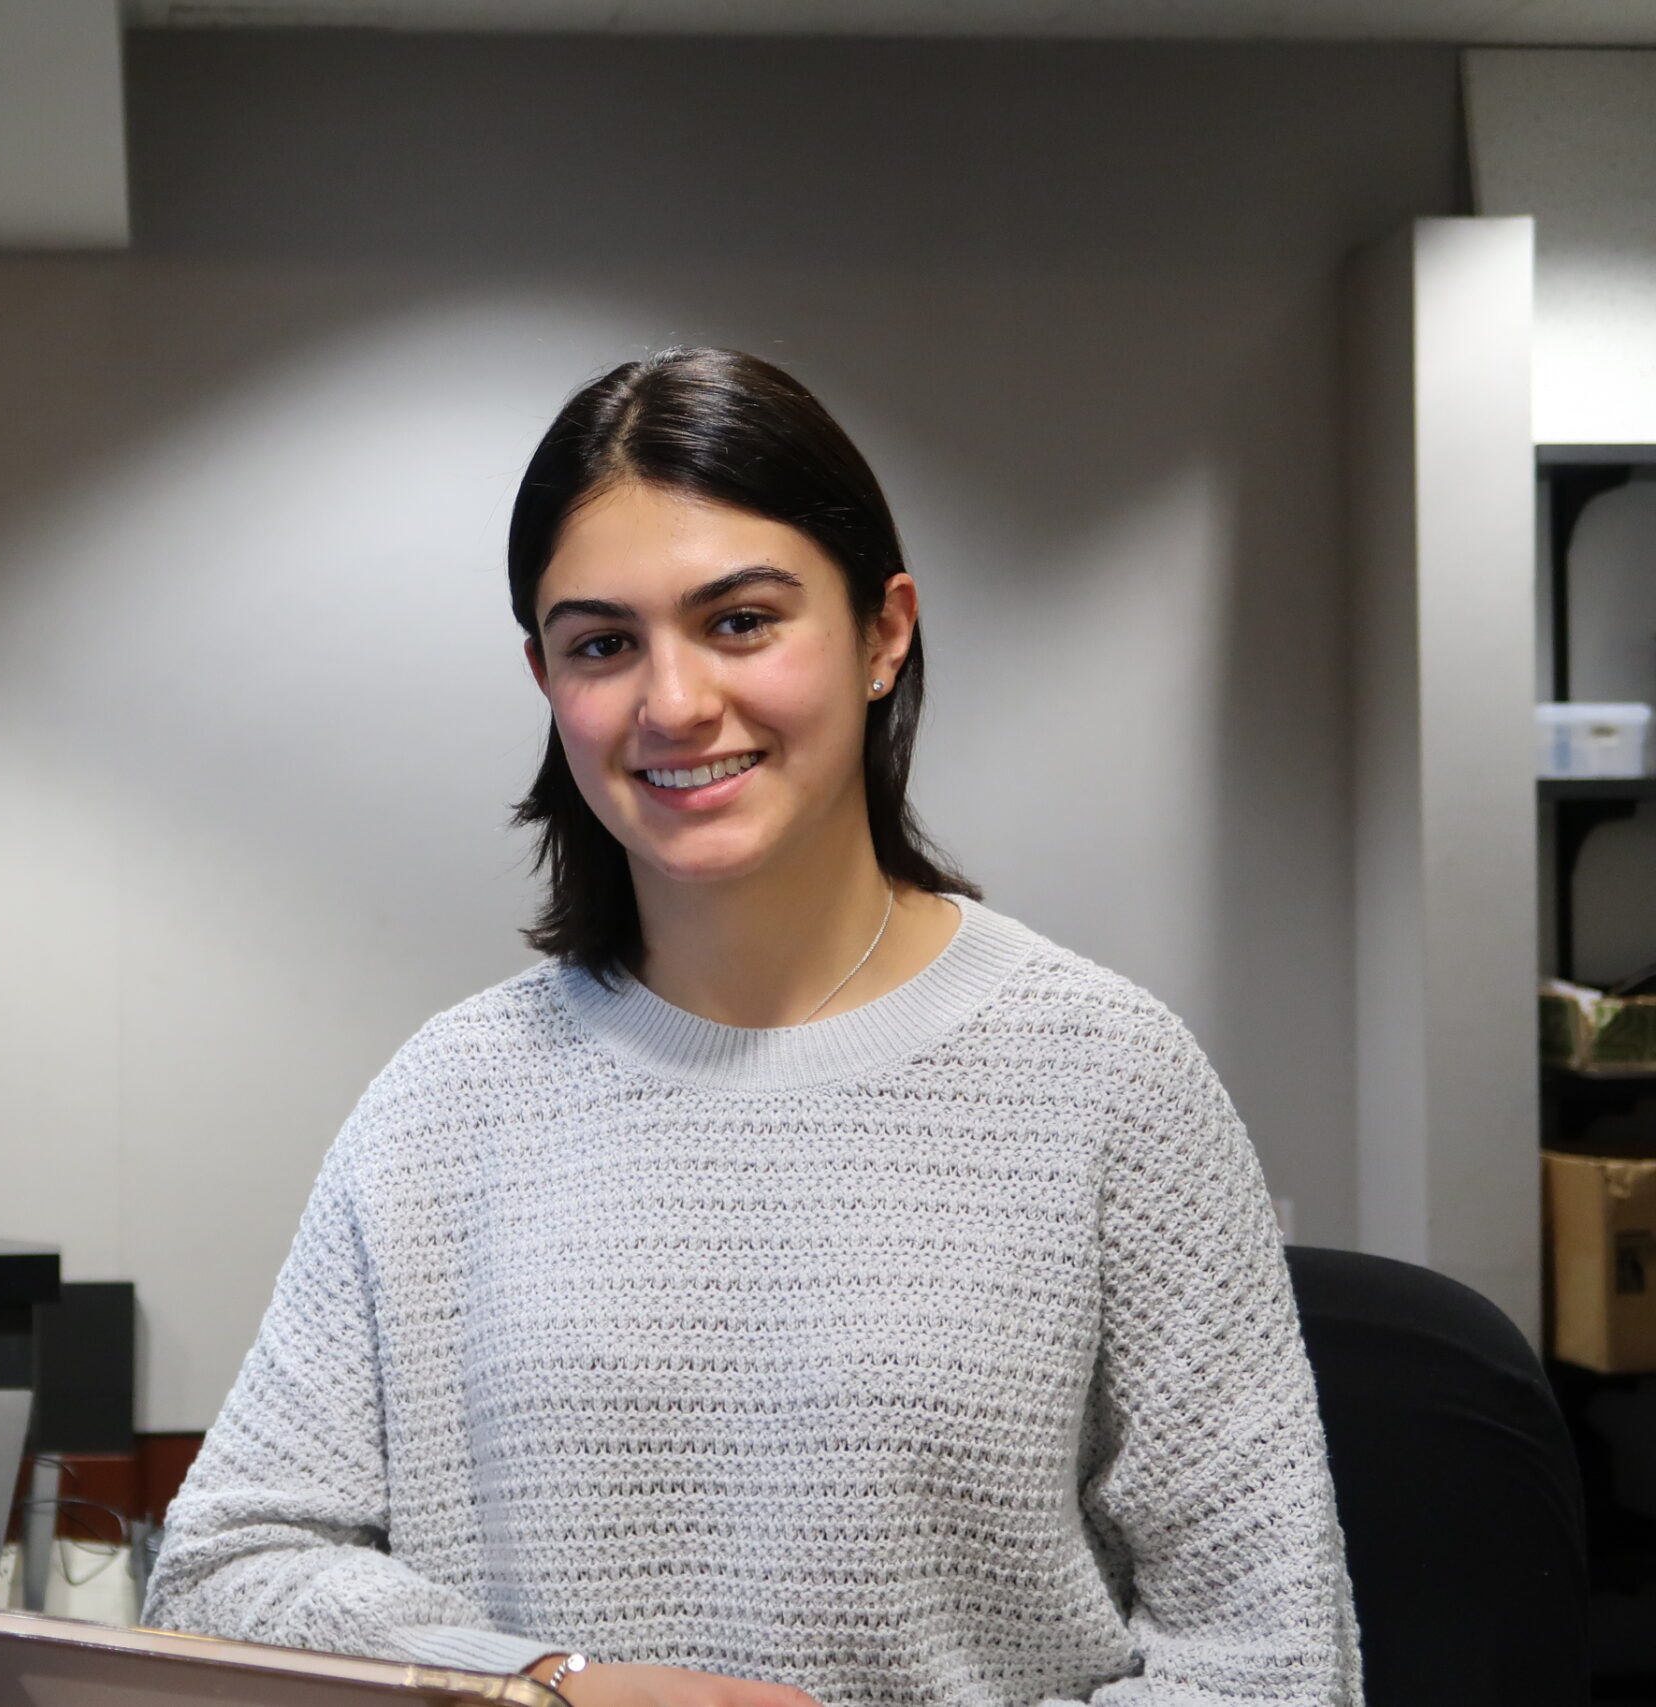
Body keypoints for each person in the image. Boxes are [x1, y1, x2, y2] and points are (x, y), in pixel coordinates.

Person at [141, 349, 1359, 1707]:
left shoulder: (1110, 1081)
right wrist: (543, 1685)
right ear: (547, 680)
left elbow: (1275, 1664)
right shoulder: (445, 1103)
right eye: (603, 644)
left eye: (739, 623)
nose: (673, 705)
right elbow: (224, 1570)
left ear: (884, 630)